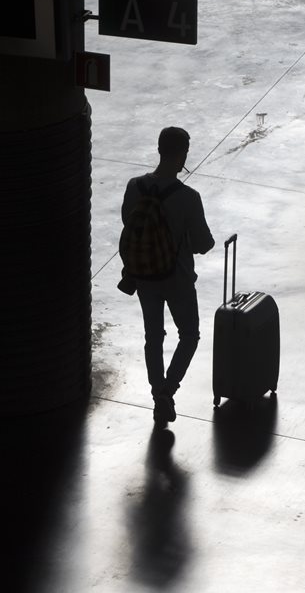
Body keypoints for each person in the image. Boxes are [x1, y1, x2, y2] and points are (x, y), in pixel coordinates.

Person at [121, 127, 215, 425]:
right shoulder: (188, 197)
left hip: (145, 276)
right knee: (189, 335)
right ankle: (167, 391)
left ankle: (156, 391)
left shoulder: (135, 187)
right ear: (182, 155)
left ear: (159, 150)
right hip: (178, 278)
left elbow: (128, 222)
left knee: (153, 336)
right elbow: (202, 244)